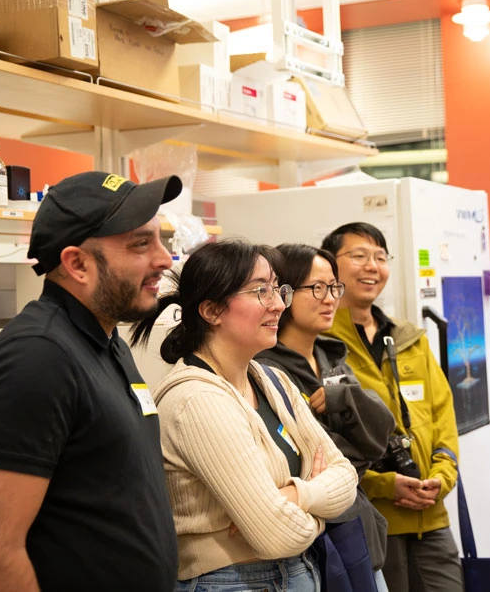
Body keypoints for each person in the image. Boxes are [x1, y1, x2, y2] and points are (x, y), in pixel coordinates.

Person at [0, 171, 181, 592]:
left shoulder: (105, 340)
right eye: (140, 243)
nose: (164, 259)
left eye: (161, 239)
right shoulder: (38, 357)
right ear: (76, 264)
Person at [130, 239, 358, 592]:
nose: (279, 303)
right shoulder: (197, 400)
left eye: (277, 289)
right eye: (260, 291)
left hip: (296, 572)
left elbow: (346, 478)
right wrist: (315, 503)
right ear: (211, 310)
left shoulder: (273, 380)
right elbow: (277, 535)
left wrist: (294, 498)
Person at [322, 222, 463, 592]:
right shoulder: (321, 344)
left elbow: (442, 414)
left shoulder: (407, 337)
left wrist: (443, 475)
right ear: (329, 267)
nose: (372, 266)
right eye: (358, 256)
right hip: (369, 519)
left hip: (431, 514)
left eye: (380, 257)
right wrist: (385, 485)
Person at [256, 242, 397, 590]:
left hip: (357, 528)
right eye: (316, 288)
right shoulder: (266, 370)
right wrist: (351, 455)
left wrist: (343, 399)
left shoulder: (332, 359)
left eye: (333, 287)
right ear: (283, 293)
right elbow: (308, 461)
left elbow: (380, 440)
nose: (330, 298)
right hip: (313, 542)